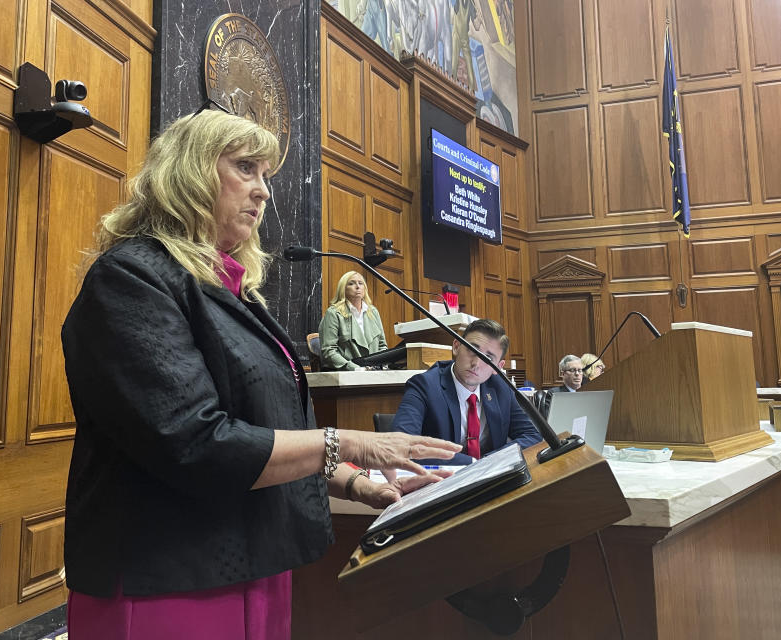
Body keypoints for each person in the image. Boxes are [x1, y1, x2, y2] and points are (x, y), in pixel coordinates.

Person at [60, 109, 460, 640]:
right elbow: (196, 442)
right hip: (167, 577)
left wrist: (359, 485)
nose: (264, 192)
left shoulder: (237, 293)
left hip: (257, 561)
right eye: (246, 168)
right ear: (189, 173)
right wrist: (348, 444)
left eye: (266, 175)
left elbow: (267, 425)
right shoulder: (132, 279)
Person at [391, 318, 542, 465]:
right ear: (456, 346)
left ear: (499, 366)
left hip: (491, 481)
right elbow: (403, 444)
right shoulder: (424, 385)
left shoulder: (501, 388)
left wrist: (490, 461)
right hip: (441, 481)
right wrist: (474, 464)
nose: (476, 363)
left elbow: (531, 436)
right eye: (472, 350)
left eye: (488, 358)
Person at [318, 270, 388, 371]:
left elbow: (382, 345)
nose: (357, 287)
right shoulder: (333, 313)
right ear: (343, 289)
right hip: (346, 374)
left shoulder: (373, 312)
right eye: (351, 283)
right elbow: (329, 351)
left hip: (374, 373)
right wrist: (355, 368)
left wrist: (382, 365)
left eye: (361, 283)